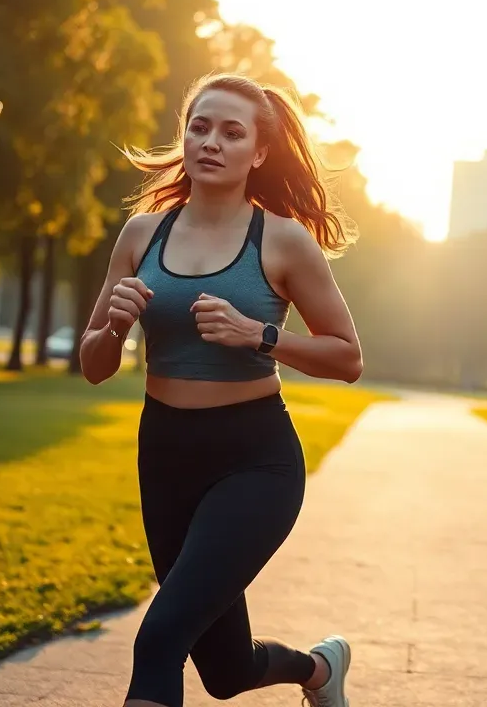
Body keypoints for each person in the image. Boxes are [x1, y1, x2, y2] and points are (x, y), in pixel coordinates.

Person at [79, 73, 363, 707]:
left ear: (258, 154)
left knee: (157, 642)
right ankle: (320, 670)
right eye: (199, 126)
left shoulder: (283, 239)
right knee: (225, 669)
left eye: (232, 132)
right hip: (166, 455)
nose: (210, 141)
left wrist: (258, 336)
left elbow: (347, 357)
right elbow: (93, 364)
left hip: (255, 461)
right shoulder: (141, 235)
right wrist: (116, 327)